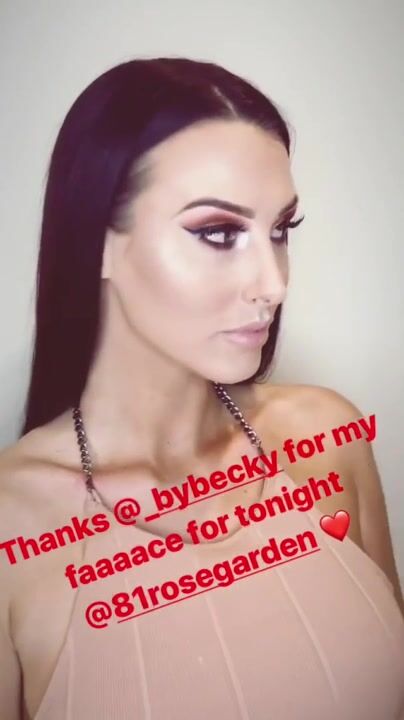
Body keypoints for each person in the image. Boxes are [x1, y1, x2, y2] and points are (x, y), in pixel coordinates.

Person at [0, 56, 403, 720]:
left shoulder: (326, 439)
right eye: (218, 233)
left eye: (280, 231)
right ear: (96, 241)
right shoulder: (15, 520)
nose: (274, 283)